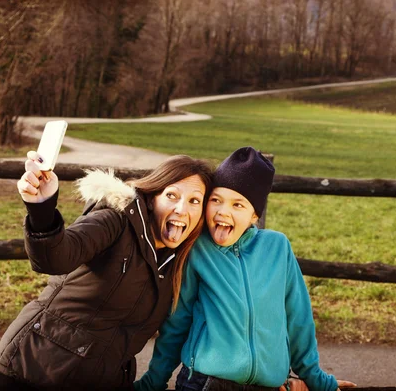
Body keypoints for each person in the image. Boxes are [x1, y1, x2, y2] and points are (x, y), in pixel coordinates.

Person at [0, 151, 213, 390]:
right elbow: (55, 258)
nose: (180, 209)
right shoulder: (115, 221)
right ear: (152, 197)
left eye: (194, 201)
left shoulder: (178, 262)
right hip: (35, 368)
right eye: (171, 196)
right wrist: (42, 209)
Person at [135, 147, 355, 391]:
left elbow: (298, 319)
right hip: (205, 382)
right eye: (216, 200)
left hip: (269, 385)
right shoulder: (198, 249)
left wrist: (316, 379)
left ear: (254, 216)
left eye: (238, 205)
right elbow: (178, 320)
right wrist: (153, 381)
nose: (223, 211)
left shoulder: (277, 247)